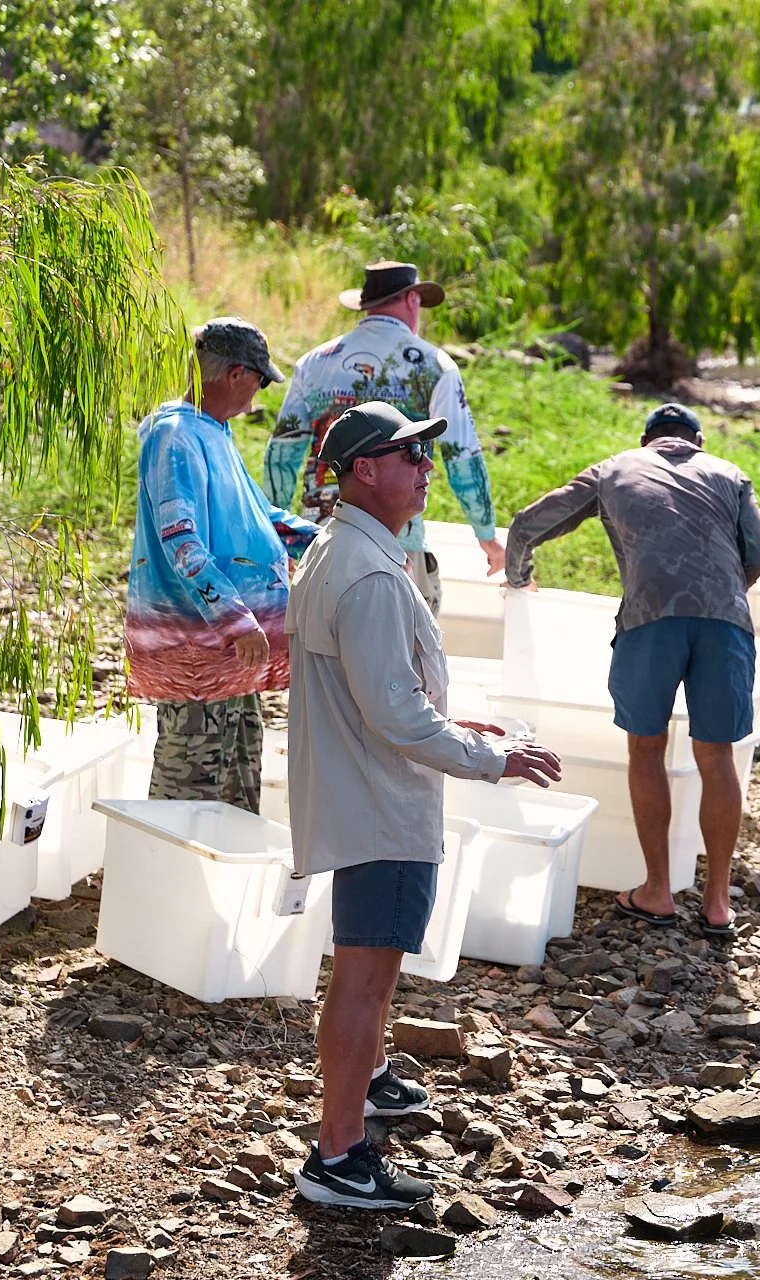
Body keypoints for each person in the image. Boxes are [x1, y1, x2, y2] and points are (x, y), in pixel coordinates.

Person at [283, 401, 563, 1209]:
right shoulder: (369, 571)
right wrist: (492, 758)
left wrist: (454, 721)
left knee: (365, 972)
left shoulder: (343, 548)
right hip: (383, 805)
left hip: (362, 788)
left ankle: (366, 1090)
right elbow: (397, 718)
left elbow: (381, 688)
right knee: (365, 979)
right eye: (410, 455)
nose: (426, 468)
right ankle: (337, 1158)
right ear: (364, 469)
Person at [504, 403, 760, 939]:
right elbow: (757, 553)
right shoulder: (730, 475)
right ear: (697, 440)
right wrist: (719, 596)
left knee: (646, 747)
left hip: (650, 618)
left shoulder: (614, 468)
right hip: (726, 622)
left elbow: (530, 522)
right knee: (717, 755)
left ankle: (657, 891)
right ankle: (717, 903)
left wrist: (518, 575)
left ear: (646, 439)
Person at [125, 318, 317, 811]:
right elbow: (180, 541)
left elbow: (258, 517)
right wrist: (234, 619)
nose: (258, 395)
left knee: (236, 781)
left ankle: (227, 881)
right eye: (258, 380)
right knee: (189, 787)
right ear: (235, 375)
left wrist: (328, 541)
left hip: (233, 654)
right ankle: (167, 881)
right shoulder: (175, 436)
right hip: (201, 649)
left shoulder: (215, 432)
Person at [266, 260, 505, 617]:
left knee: (321, 656)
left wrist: (275, 534)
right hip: (397, 539)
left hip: (319, 536)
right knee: (404, 656)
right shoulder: (434, 365)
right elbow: (462, 456)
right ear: (412, 300)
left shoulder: (315, 362)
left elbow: (282, 454)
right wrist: (486, 535)